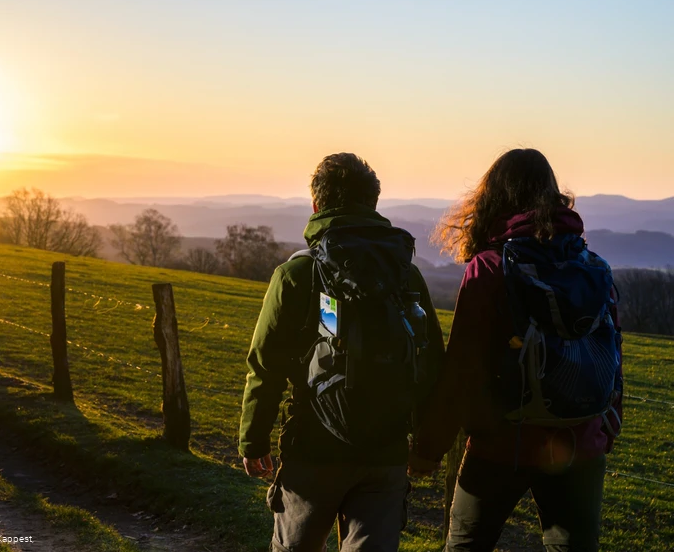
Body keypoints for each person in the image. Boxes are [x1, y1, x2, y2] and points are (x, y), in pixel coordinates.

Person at [410, 148, 624, 552]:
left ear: (493, 197)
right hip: (580, 442)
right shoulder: (593, 266)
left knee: (466, 545)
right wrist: (608, 423)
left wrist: (428, 449)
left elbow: (462, 369)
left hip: (500, 443)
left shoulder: (490, 267)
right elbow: (612, 350)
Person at [238, 152, 445, 552]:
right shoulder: (406, 275)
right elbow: (430, 364)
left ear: (317, 205)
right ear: (373, 204)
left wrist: (254, 439)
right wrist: (426, 447)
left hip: (313, 452)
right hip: (385, 454)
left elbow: (266, 364)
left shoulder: (297, 274)